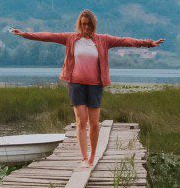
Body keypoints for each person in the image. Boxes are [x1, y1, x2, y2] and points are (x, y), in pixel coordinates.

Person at [10, 10, 163, 165]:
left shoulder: (103, 40)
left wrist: (148, 43)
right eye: (83, 24)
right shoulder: (70, 38)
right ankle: (84, 157)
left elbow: (125, 41)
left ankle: (92, 155)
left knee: (94, 123)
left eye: (89, 24)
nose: (86, 27)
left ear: (93, 25)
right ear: (80, 24)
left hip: (95, 86)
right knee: (81, 121)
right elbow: (48, 36)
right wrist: (25, 35)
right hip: (76, 84)